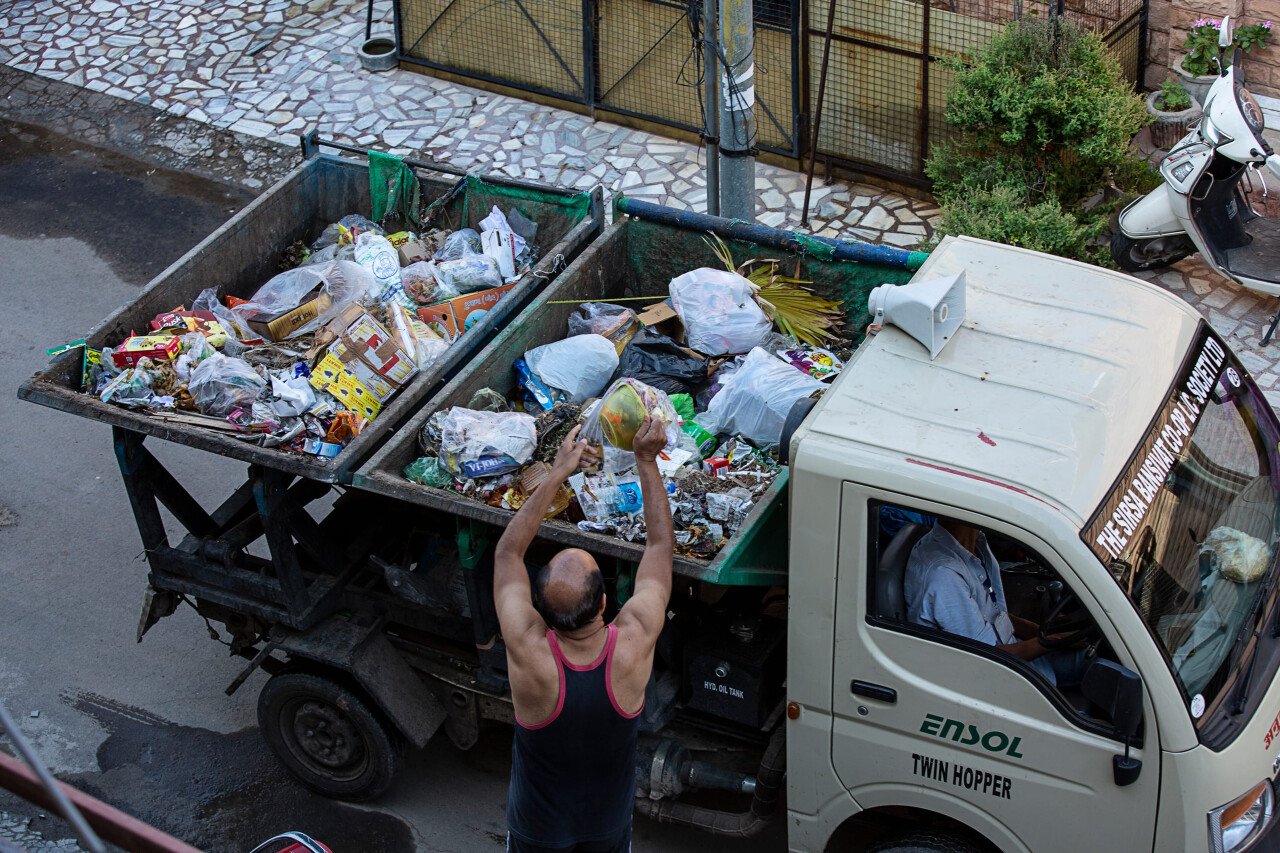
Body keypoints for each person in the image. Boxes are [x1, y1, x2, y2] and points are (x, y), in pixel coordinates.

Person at [494, 417, 674, 853]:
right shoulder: (632, 643)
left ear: (541, 612)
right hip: (606, 831)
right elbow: (659, 548)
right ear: (604, 604)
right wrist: (645, 460)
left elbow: (507, 552)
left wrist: (557, 472)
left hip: (537, 833)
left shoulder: (528, 649)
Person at [904, 518, 1087, 688]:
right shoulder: (944, 575)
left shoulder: (977, 542)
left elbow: (995, 613)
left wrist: (1041, 631)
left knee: (1097, 660)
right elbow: (986, 659)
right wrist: (1049, 642)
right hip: (1000, 678)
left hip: (1017, 651)